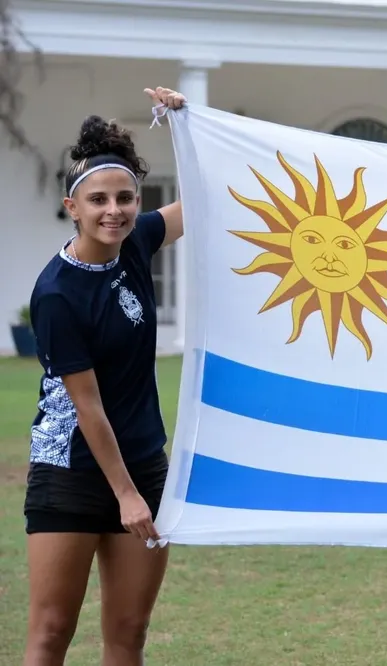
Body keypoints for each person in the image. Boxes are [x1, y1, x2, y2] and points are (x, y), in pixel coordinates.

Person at [21, 85, 187, 666]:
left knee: (128, 633)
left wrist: (188, 127)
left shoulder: (136, 243)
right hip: (70, 470)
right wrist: (125, 495)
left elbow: (208, 199)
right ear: (73, 207)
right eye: (98, 200)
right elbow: (87, 407)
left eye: (125, 197)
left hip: (143, 463)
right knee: (51, 632)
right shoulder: (57, 294)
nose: (113, 210)